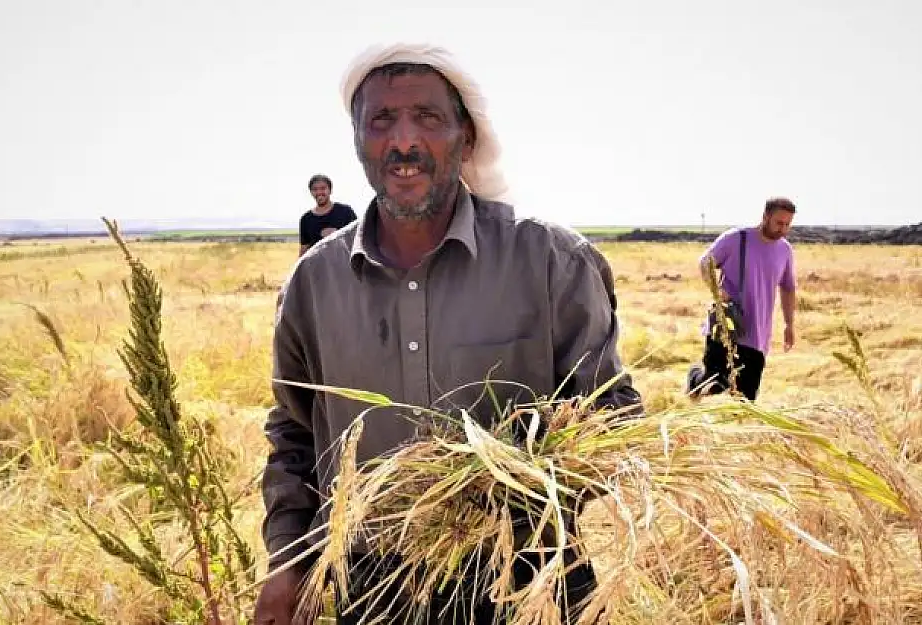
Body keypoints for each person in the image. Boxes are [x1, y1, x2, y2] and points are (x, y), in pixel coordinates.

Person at [254, 43, 641, 625]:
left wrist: (506, 492)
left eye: (428, 118)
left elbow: (610, 415)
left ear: (466, 136)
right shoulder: (315, 283)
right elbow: (295, 433)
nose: (403, 141)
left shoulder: (550, 260)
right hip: (373, 590)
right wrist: (289, 564)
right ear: (359, 141)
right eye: (380, 120)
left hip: (530, 581)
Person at [685, 197, 798, 401]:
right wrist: (717, 291)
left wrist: (789, 324)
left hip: (758, 335)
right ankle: (694, 378)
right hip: (726, 325)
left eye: (787, 224)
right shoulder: (736, 238)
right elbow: (705, 263)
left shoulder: (785, 250)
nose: (783, 229)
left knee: (745, 400)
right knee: (714, 385)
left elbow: (788, 288)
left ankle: (733, 432)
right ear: (765, 217)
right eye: (779, 223)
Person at [297, 174, 357, 255]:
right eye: (315, 189)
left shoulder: (346, 211)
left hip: (343, 265)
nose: (319, 192)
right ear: (311, 192)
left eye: (323, 188)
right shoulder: (306, 219)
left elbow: (357, 240)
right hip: (318, 266)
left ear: (330, 190)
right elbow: (304, 249)